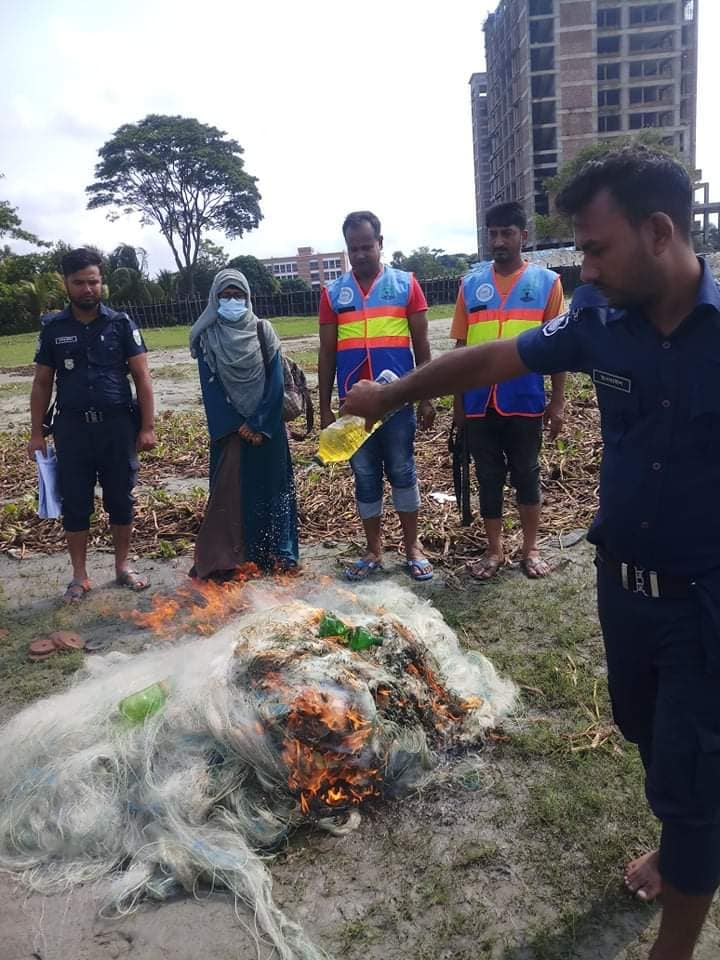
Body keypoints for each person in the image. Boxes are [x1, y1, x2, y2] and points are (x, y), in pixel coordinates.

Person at [343, 145, 720, 960]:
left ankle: (678, 933)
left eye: (593, 248)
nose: (582, 270)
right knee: (649, 735)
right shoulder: (597, 320)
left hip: (705, 600)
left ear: (658, 232)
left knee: (692, 776)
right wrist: (394, 394)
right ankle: (683, 834)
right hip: (622, 590)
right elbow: (494, 357)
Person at [27, 247, 156, 602]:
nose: (88, 289)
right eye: (80, 283)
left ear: (102, 283)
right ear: (67, 284)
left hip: (117, 427)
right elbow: (42, 383)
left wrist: (147, 427)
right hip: (72, 430)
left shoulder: (121, 324)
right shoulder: (54, 329)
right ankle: (79, 576)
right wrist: (37, 433)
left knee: (120, 498)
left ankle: (122, 566)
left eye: (94, 282)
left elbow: (142, 378)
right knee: (75, 502)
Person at [318, 210, 436, 582]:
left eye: (367, 246)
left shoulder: (406, 285)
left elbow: (422, 344)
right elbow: (325, 353)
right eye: (354, 248)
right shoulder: (333, 294)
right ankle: (373, 551)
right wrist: (323, 407)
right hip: (353, 407)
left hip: (396, 401)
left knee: (402, 470)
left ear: (381, 244)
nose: (361, 254)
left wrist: (426, 395)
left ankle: (412, 548)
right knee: (365, 475)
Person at [452, 201, 566, 579]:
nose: (499, 240)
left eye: (507, 233)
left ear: (523, 236)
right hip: (479, 401)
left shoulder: (547, 283)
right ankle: (494, 551)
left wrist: (558, 401)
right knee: (487, 476)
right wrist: (457, 404)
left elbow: (558, 349)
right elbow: (460, 351)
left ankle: (531, 549)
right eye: (493, 233)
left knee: (526, 474)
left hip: (526, 399)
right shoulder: (470, 285)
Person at [189, 268, 298, 579]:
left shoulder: (263, 331)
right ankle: (240, 557)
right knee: (234, 493)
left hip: (269, 430)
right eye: (226, 295)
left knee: (274, 488)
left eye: (239, 295)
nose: (232, 300)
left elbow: (275, 383)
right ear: (215, 298)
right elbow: (210, 389)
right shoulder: (206, 337)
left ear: (248, 298)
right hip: (230, 434)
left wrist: (260, 423)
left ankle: (280, 554)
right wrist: (238, 425)